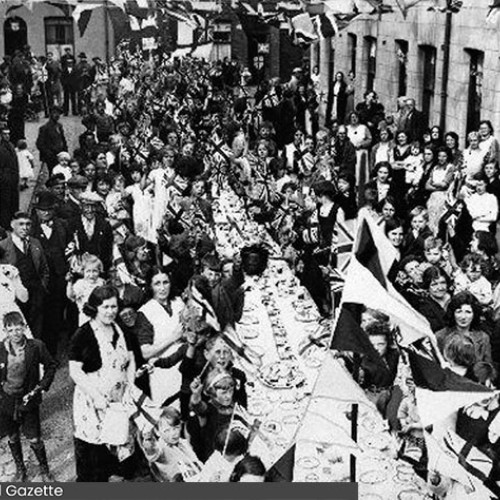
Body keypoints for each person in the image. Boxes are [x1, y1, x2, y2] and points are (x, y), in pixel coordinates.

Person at [69, 285, 136, 482]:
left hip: (118, 404)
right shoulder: (83, 334)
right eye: (105, 307)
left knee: (117, 457)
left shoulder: (119, 329)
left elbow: (131, 359)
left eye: (114, 306)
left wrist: (130, 386)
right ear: (95, 308)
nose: (111, 311)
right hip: (93, 406)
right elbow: (75, 371)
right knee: (93, 462)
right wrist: (97, 396)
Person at [0, 311, 57, 482]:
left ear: (24, 328)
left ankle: (44, 471)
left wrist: (40, 387)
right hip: (6, 401)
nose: (15, 333)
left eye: (18, 329)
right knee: (12, 436)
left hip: (28, 399)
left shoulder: (36, 346)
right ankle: (21, 470)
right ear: (5, 331)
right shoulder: (0, 349)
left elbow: (51, 366)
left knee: (34, 438)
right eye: (11, 330)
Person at [135, 268, 185, 406]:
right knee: (168, 413)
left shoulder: (178, 302)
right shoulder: (145, 312)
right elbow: (145, 352)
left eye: (165, 282)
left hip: (184, 363)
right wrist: (172, 338)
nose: (162, 288)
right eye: (157, 284)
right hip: (162, 371)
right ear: (150, 286)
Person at [31, 191, 69, 356]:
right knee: (40, 314)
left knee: (56, 312)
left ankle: (53, 353)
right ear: (36, 210)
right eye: (41, 209)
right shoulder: (30, 227)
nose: (45, 213)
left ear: (54, 209)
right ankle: (41, 353)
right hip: (40, 279)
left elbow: (69, 248)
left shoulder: (62, 225)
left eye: (48, 209)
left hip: (59, 276)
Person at [0, 212, 50, 339]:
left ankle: (35, 356)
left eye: (28, 224)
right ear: (12, 225)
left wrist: (42, 287)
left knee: (37, 328)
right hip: (15, 296)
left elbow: (44, 269)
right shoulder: (3, 246)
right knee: (17, 328)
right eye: (21, 224)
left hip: (36, 293)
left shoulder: (35, 243)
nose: (25, 227)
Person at [140, 406, 202, 482]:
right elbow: (152, 453)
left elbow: (195, 462)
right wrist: (148, 440)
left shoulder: (183, 442)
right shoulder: (161, 448)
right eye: (167, 430)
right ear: (157, 432)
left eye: (176, 428)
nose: (173, 433)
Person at [436, 291, 492, 364]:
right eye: (459, 312)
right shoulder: (440, 336)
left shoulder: (483, 338)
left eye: (468, 312)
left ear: (474, 314)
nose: (463, 317)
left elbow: (487, 367)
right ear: (453, 313)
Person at [67, 191, 114, 274]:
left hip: (99, 269)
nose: (90, 210)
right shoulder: (73, 223)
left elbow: (108, 248)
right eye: (86, 206)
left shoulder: (104, 224)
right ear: (81, 206)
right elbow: (69, 246)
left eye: (93, 206)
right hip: (79, 270)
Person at [36, 106, 68, 173]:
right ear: (50, 114)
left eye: (58, 114)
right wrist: (49, 154)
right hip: (50, 158)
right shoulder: (44, 128)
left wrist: (65, 151)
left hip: (60, 156)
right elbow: (39, 144)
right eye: (55, 113)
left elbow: (63, 139)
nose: (57, 115)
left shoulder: (59, 126)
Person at [0, 124, 20, 230]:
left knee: (13, 202)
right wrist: (4, 179)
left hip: (13, 179)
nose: (7, 136)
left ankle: (13, 221)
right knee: (5, 204)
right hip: (5, 181)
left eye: (8, 134)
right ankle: (5, 224)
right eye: (4, 134)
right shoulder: (1, 148)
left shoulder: (11, 145)